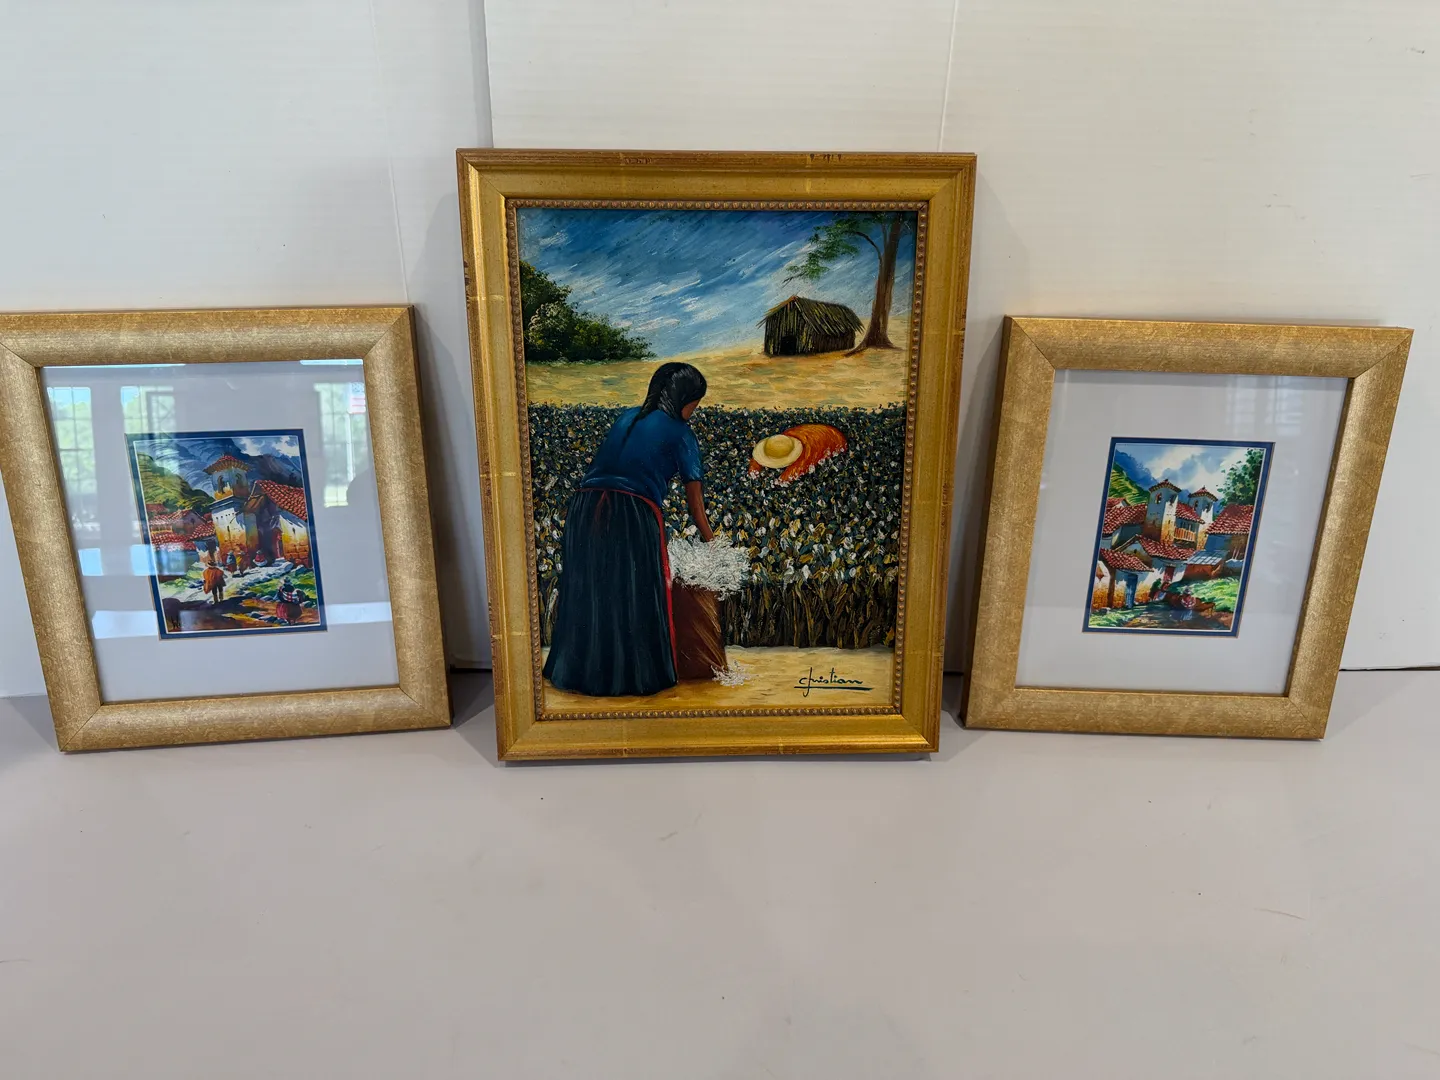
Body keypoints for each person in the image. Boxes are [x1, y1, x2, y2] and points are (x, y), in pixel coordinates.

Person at [543, 362, 715, 697]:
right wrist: (713, 543)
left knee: (593, 592)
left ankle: (579, 675)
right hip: (631, 512)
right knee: (634, 593)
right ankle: (633, 679)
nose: (694, 410)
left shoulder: (627, 417)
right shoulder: (681, 433)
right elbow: (696, 508)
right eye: (696, 403)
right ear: (686, 400)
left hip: (584, 509)